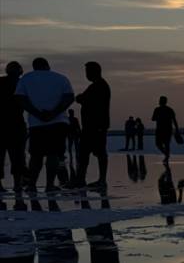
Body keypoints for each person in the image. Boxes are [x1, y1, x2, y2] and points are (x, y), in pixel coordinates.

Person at [14, 58, 74, 192]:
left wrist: (36, 113)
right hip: (58, 122)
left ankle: (32, 185)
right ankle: (49, 185)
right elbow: (69, 97)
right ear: (48, 65)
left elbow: (20, 98)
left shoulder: (26, 78)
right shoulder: (61, 78)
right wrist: (54, 113)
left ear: (34, 67)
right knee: (53, 154)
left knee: (36, 156)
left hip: (37, 124)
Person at [73, 61, 111, 188]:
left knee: (98, 153)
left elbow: (84, 99)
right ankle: (81, 179)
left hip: (96, 126)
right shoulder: (96, 86)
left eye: (88, 72)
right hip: (91, 126)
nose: (86, 75)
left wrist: (81, 98)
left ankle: (100, 180)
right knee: (85, 153)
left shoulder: (99, 86)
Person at [1, 61, 28, 190]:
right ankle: (18, 183)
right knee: (18, 156)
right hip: (16, 123)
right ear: (20, 71)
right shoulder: (22, 83)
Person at [151, 96, 181, 162]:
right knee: (162, 144)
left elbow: (153, 118)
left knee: (163, 144)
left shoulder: (161, 109)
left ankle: (166, 155)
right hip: (164, 129)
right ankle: (166, 154)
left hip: (164, 129)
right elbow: (174, 120)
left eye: (160, 100)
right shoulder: (166, 109)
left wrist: (177, 130)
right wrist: (177, 129)